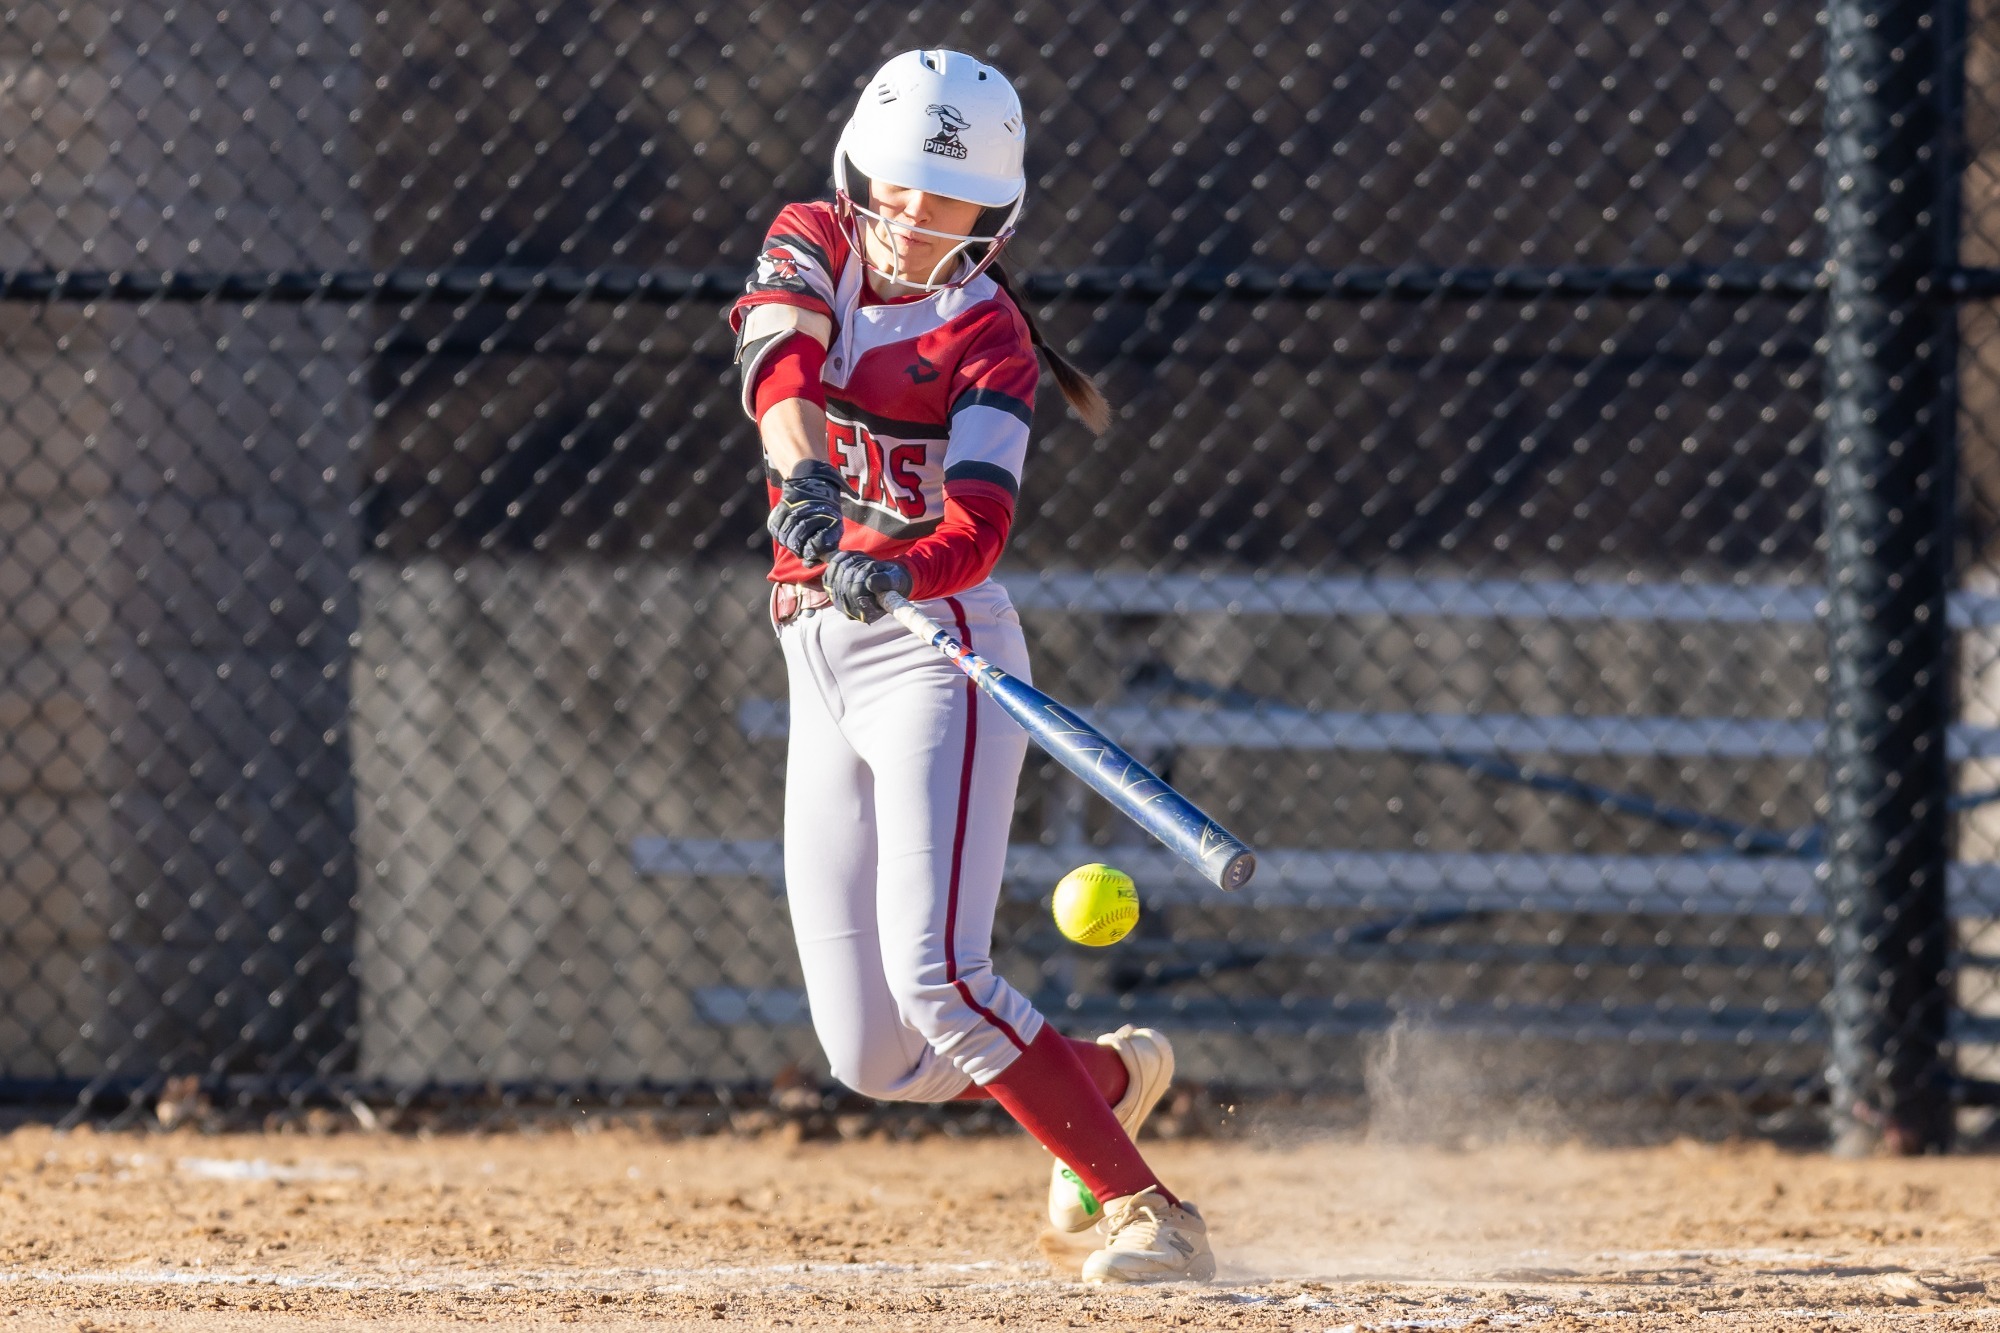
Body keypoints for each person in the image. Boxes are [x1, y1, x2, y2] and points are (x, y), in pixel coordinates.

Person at [727, 49, 1215, 1285]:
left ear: (990, 218)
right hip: (816, 646)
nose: (908, 217)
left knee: (942, 980)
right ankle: (1108, 1079)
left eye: (942, 203)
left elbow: (978, 525)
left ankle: (1149, 1210)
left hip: (934, 654)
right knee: (872, 1058)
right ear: (858, 173)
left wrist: (899, 567)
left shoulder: (987, 336)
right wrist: (804, 486)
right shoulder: (814, 239)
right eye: (894, 187)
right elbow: (776, 361)